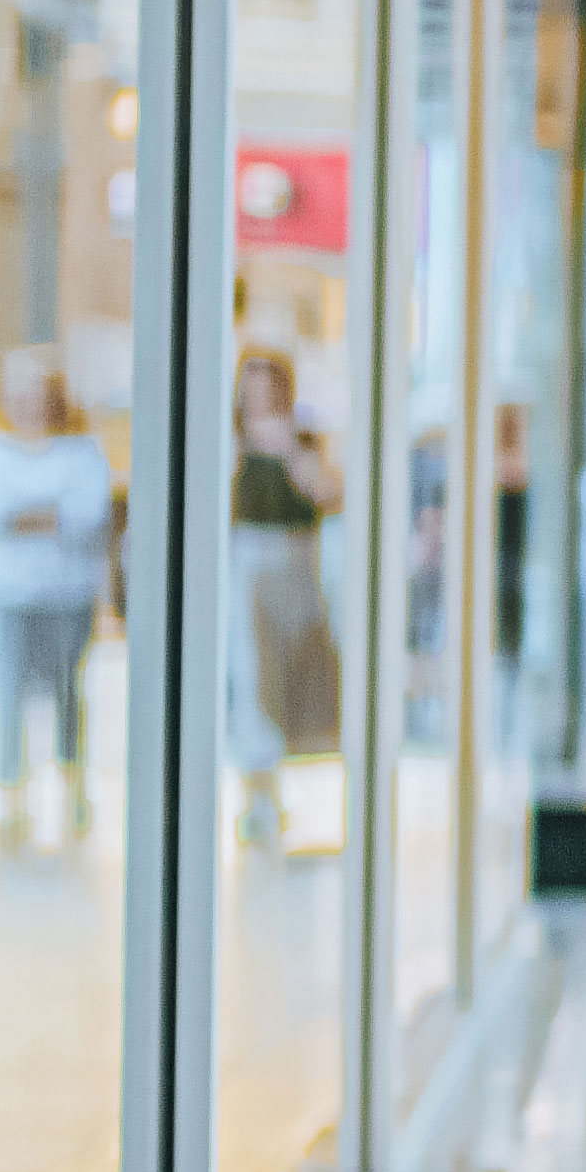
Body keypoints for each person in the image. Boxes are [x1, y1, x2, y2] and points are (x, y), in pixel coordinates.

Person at [0, 353, 118, 835]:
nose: (32, 404)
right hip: (9, 592)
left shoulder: (82, 453)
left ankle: (72, 784)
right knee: (8, 692)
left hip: (67, 594)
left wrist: (23, 518)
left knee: (68, 692)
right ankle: (11, 790)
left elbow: (88, 516)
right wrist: (45, 517)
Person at [225, 343, 342, 850]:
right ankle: (259, 792)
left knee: (300, 681)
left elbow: (327, 494)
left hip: (298, 570)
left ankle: (285, 783)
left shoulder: (305, 439)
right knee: (255, 681)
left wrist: (292, 449)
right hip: (247, 569)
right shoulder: (230, 442)